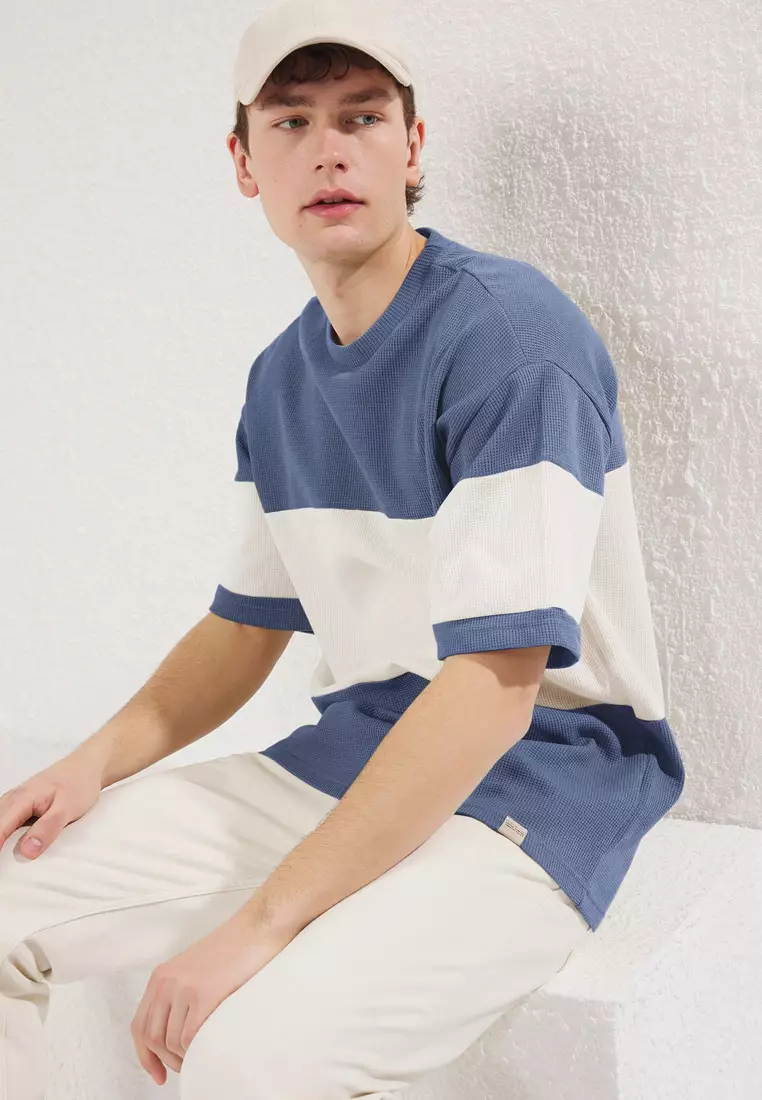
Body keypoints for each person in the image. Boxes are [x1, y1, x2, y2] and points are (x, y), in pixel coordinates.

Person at [0, 0, 686, 1096]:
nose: (329, 149)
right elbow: (242, 627)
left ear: (412, 148)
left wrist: (258, 925)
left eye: (363, 117)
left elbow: (496, 688)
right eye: (292, 121)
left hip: (536, 784)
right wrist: (91, 762)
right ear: (243, 162)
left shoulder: (514, 341)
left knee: (247, 1054)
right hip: (355, 757)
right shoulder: (283, 376)